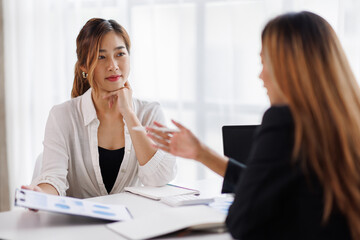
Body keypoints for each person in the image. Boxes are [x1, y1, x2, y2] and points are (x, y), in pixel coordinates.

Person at [147, 11, 360, 240]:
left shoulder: (283, 122)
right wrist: (202, 154)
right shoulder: (345, 120)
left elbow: (241, 222)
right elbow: (268, 185)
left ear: (289, 68)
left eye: (264, 62)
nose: (261, 76)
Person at [22, 18, 176, 198]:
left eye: (120, 54)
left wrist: (128, 113)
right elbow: (54, 179)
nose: (113, 66)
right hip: (79, 225)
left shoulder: (149, 113)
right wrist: (39, 195)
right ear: (84, 66)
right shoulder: (62, 115)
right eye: (101, 57)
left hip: (133, 223)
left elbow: (160, 179)